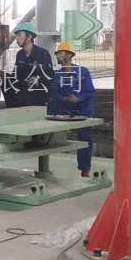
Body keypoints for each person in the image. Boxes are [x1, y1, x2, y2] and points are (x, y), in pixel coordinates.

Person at [47, 42, 95, 177]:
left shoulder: (83, 71)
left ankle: (85, 168)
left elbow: (90, 92)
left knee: (85, 137)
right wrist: (64, 99)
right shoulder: (57, 75)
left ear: (69, 55)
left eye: (60, 53)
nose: (58, 56)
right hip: (65, 108)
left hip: (82, 109)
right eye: (57, 54)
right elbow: (55, 92)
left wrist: (78, 98)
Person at [2, 22, 54, 108]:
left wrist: (37, 79)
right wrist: (2, 75)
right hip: (24, 90)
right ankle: (12, 104)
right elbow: (16, 75)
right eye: (16, 36)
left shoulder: (42, 54)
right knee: (3, 78)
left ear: (29, 37)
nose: (17, 38)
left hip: (38, 94)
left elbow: (49, 76)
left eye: (19, 35)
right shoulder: (20, 54)